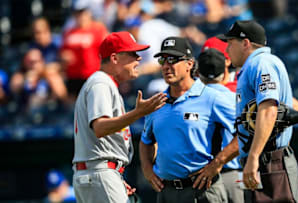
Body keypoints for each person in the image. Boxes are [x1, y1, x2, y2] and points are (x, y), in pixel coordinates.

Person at [193, 20, 298, 203]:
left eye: (230, 43)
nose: (227, 50)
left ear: (245, 43)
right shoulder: (252, 66)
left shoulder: (262, 63)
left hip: (269, 160)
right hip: (261, 161)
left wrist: (253, 156)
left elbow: (268, 110)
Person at [72, 31, 167, 203]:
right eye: (132, 54)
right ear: (115, 59)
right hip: (100, 172)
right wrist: (138, 113)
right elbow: (100, 127)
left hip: (98, 172)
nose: (138, 58)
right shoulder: (101, 83)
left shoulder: (102, 83)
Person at [139, 36, 235, 203]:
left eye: (173, 60)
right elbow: (146, 140)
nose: (167, 66)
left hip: (202, 190)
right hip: (166, 192)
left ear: (189, 64)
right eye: (163, 60)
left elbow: (246, 130)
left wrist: (218, 162)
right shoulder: (156, 102)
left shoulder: (211, 97)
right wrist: (147, 169)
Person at [197, 48, 244, 203]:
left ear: (197, 73)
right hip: (235, 174)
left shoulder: (190, 99)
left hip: (202, 177)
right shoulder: (237, 98)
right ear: (225, 72)